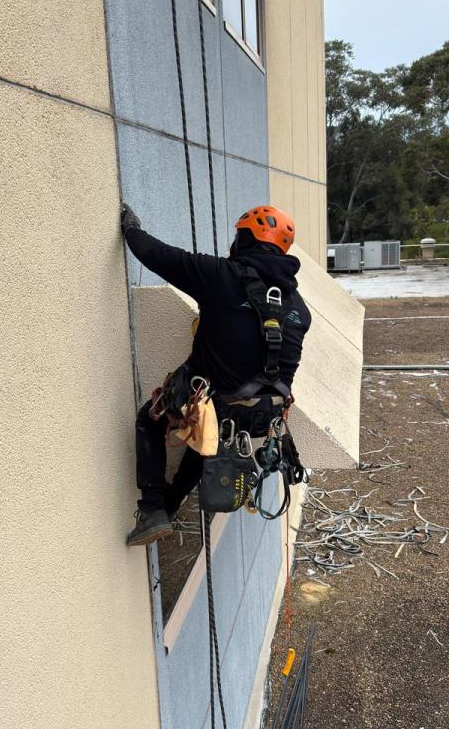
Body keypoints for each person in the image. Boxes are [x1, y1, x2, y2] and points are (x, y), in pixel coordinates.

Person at [121, 203, 312, 546]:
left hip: (215, 403)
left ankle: (152, 508)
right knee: (203, 444)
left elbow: (157, 254)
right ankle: (167, 508)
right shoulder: (298, 307)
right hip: (261, 418)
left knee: (150, 419)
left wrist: (131, 227)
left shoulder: (220, 276)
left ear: (246, 239)